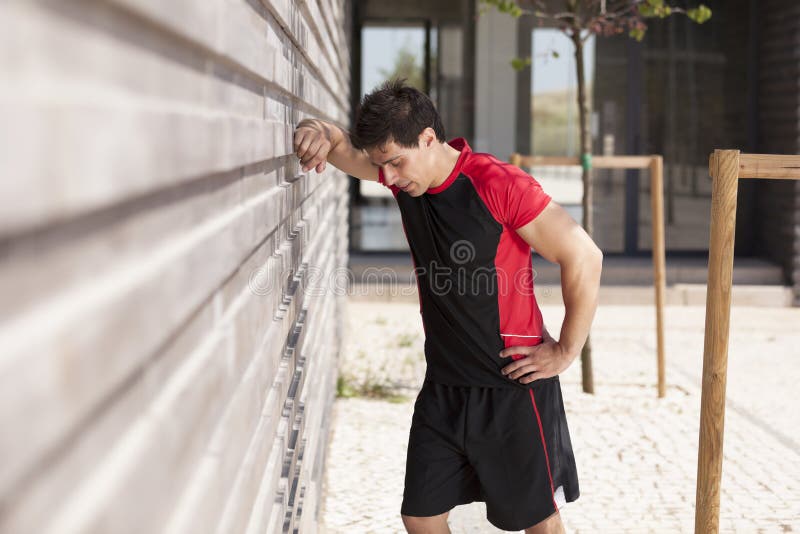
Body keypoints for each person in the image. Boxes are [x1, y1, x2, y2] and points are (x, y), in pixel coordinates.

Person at [293, 79, 602, 534]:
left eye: (396, 163)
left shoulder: (497, 183)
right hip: (443, 385)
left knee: (537, 523)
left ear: (428, 139)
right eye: (383, 166)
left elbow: (584, 254)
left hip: (511, 386)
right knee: (420, 516)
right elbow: (338, 144)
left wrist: (565, 351)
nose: (389, 178)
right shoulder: (404, 178)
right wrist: (312, 127)